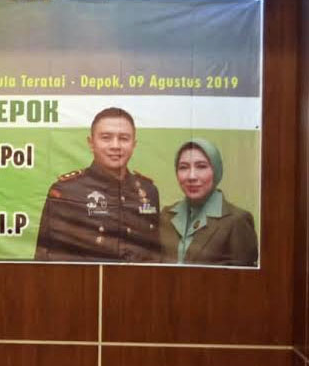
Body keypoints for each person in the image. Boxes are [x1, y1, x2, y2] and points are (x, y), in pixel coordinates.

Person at [34, 107, 161, 262]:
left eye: (124, 138)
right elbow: (45, 259)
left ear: (133, 145)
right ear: (91, 143)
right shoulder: (66, 191)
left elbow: (156, 256)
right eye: (106, 138)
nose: (115, 146)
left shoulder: (149, 191)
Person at [160, 139, 258, 266]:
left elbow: (242, 277)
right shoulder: (166, 215)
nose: (191, 176)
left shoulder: (237, 221)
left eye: (201, 166)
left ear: (216, 170)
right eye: (183, 167)